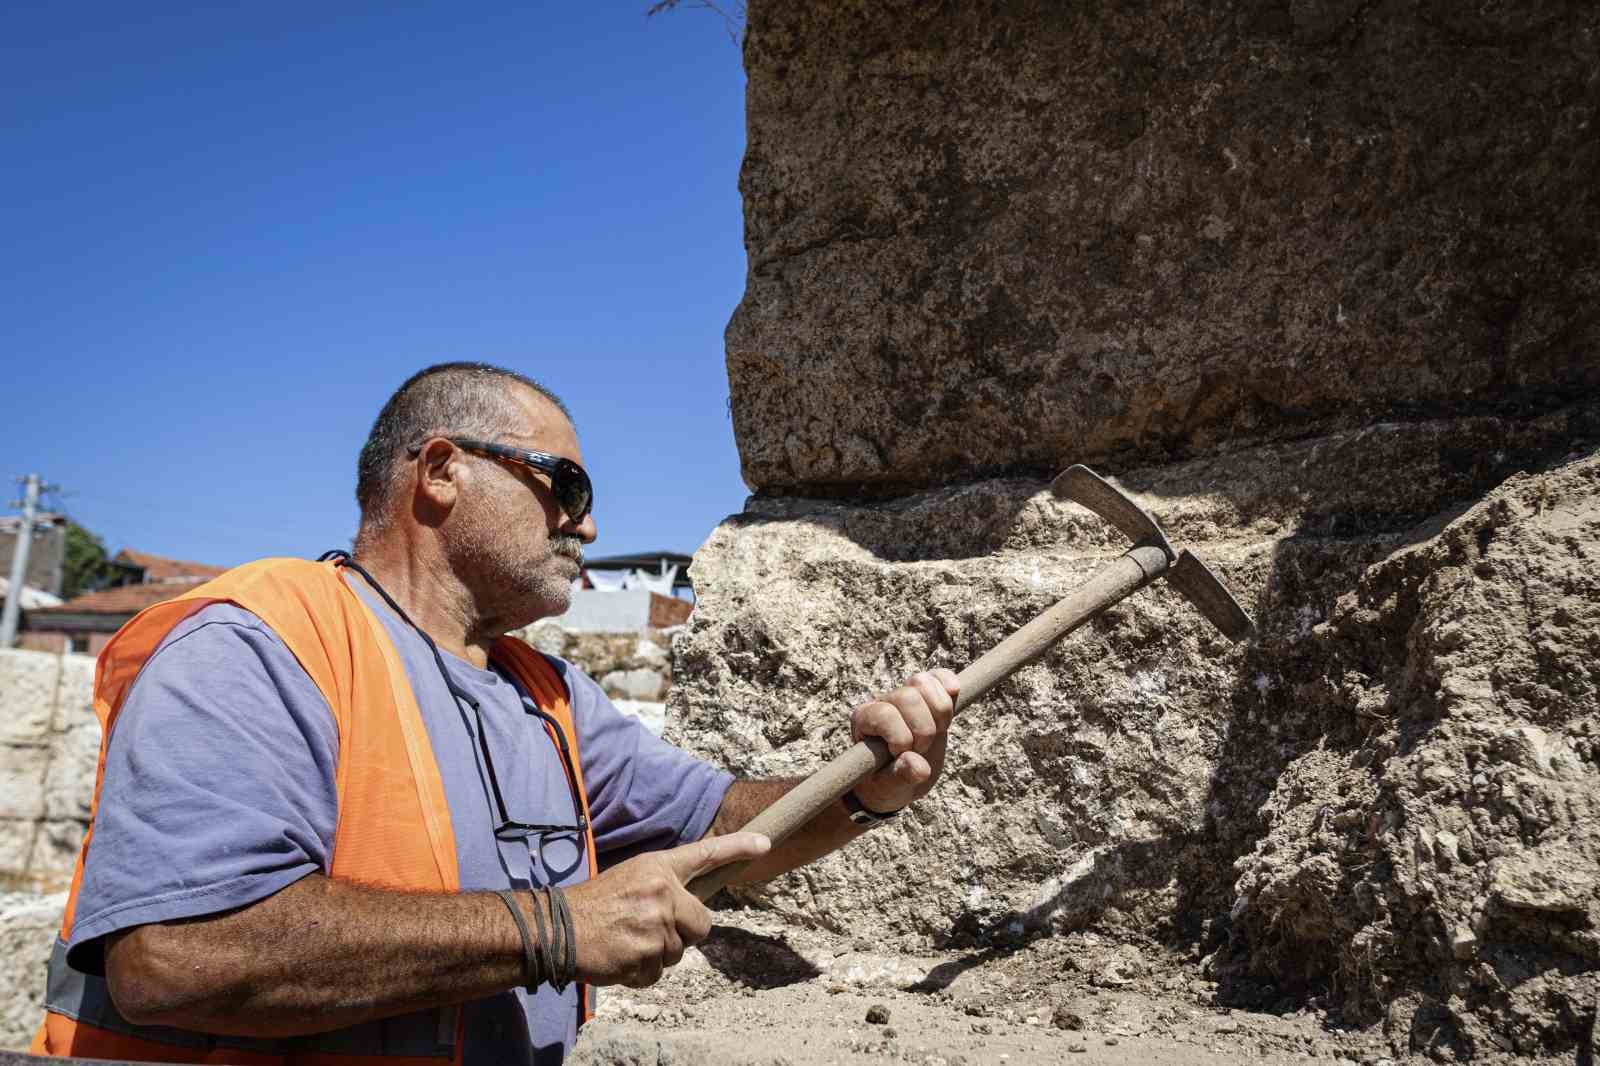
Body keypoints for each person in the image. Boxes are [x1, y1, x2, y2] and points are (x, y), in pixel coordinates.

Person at [33, 362, 959, 1065]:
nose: (586, 527)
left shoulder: (541, 693)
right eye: (568, 487)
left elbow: (721, 824)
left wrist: (865, 790)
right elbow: (177, 958)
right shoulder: (261, 644)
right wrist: (551, 929)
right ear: (441, 471)